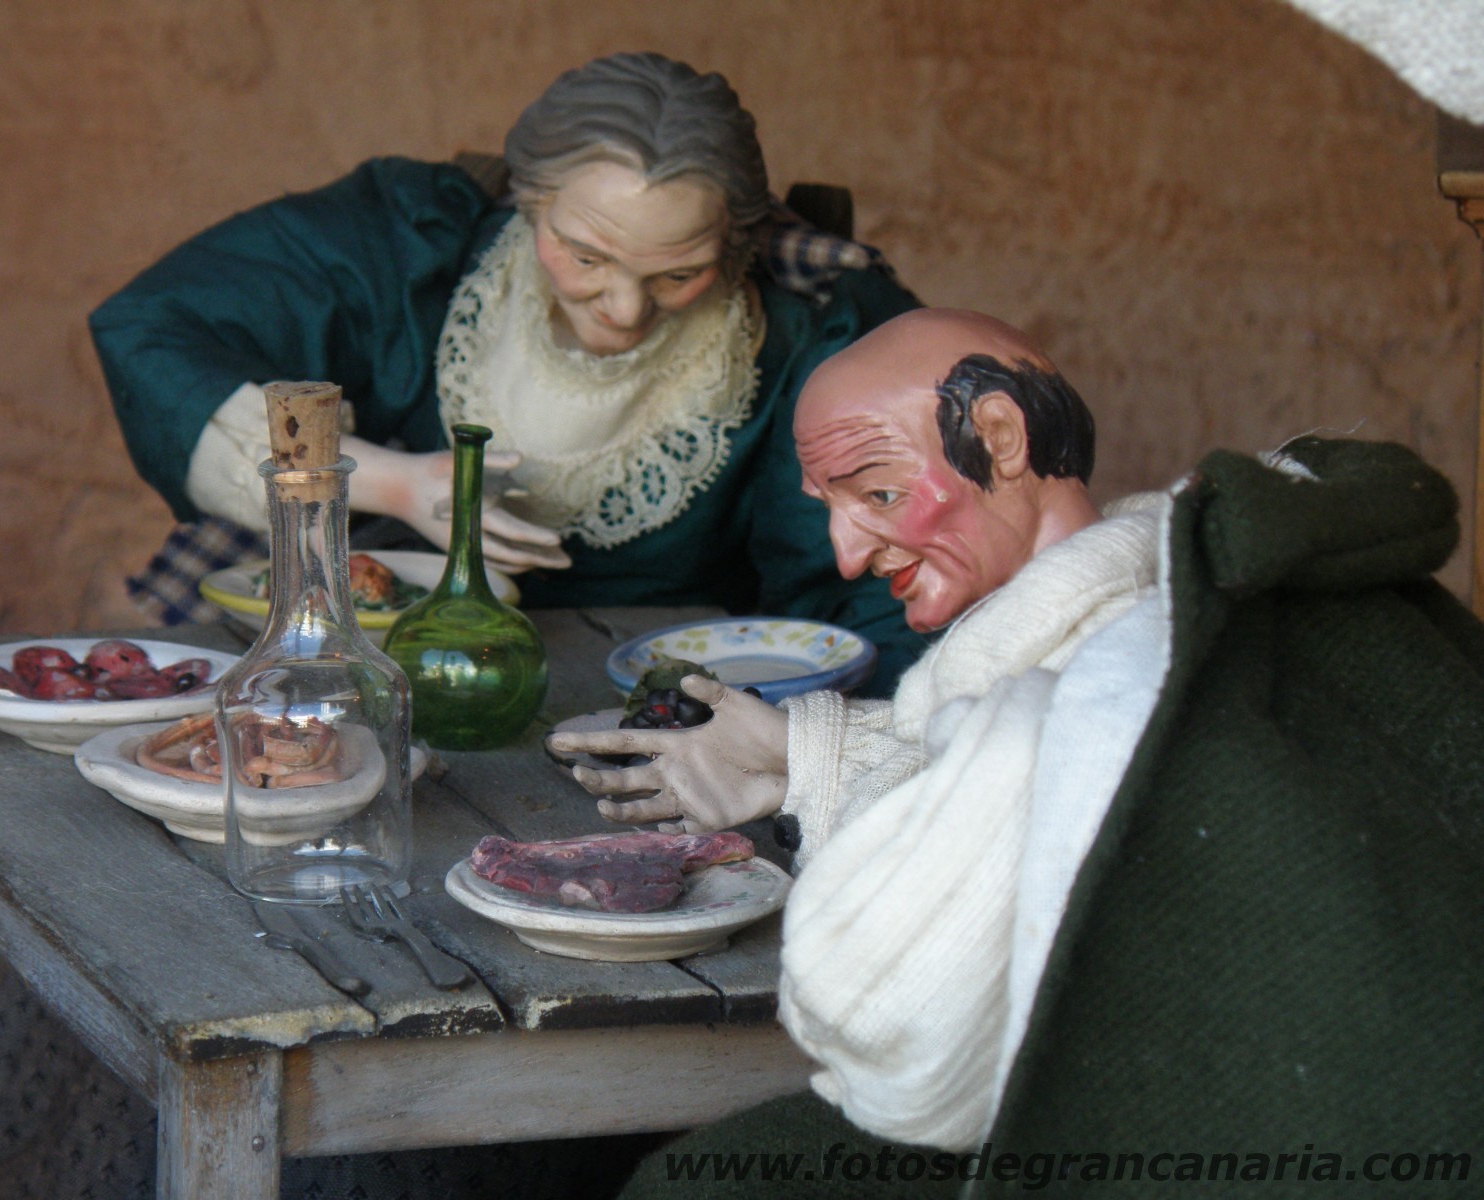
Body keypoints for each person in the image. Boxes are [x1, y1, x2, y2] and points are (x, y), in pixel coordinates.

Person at [550, 308, 1484, 1196]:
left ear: (999, 437)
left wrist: (830, 799)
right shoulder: (1185, 588)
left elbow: (891, 1029)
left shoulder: (1111, 683)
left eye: (879, 494)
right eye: (832, 507)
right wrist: (804, 752)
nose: (846, 556)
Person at [90, 51, 927, 693]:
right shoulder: (415, 244)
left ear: (735, 245)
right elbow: (153, 331)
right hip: (399, 675)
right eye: (585, 256)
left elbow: (862, 600)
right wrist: (389, 484)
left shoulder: (805, 339)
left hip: (663, 695)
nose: (624, 308)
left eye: (679, 274)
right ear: (532, 204)